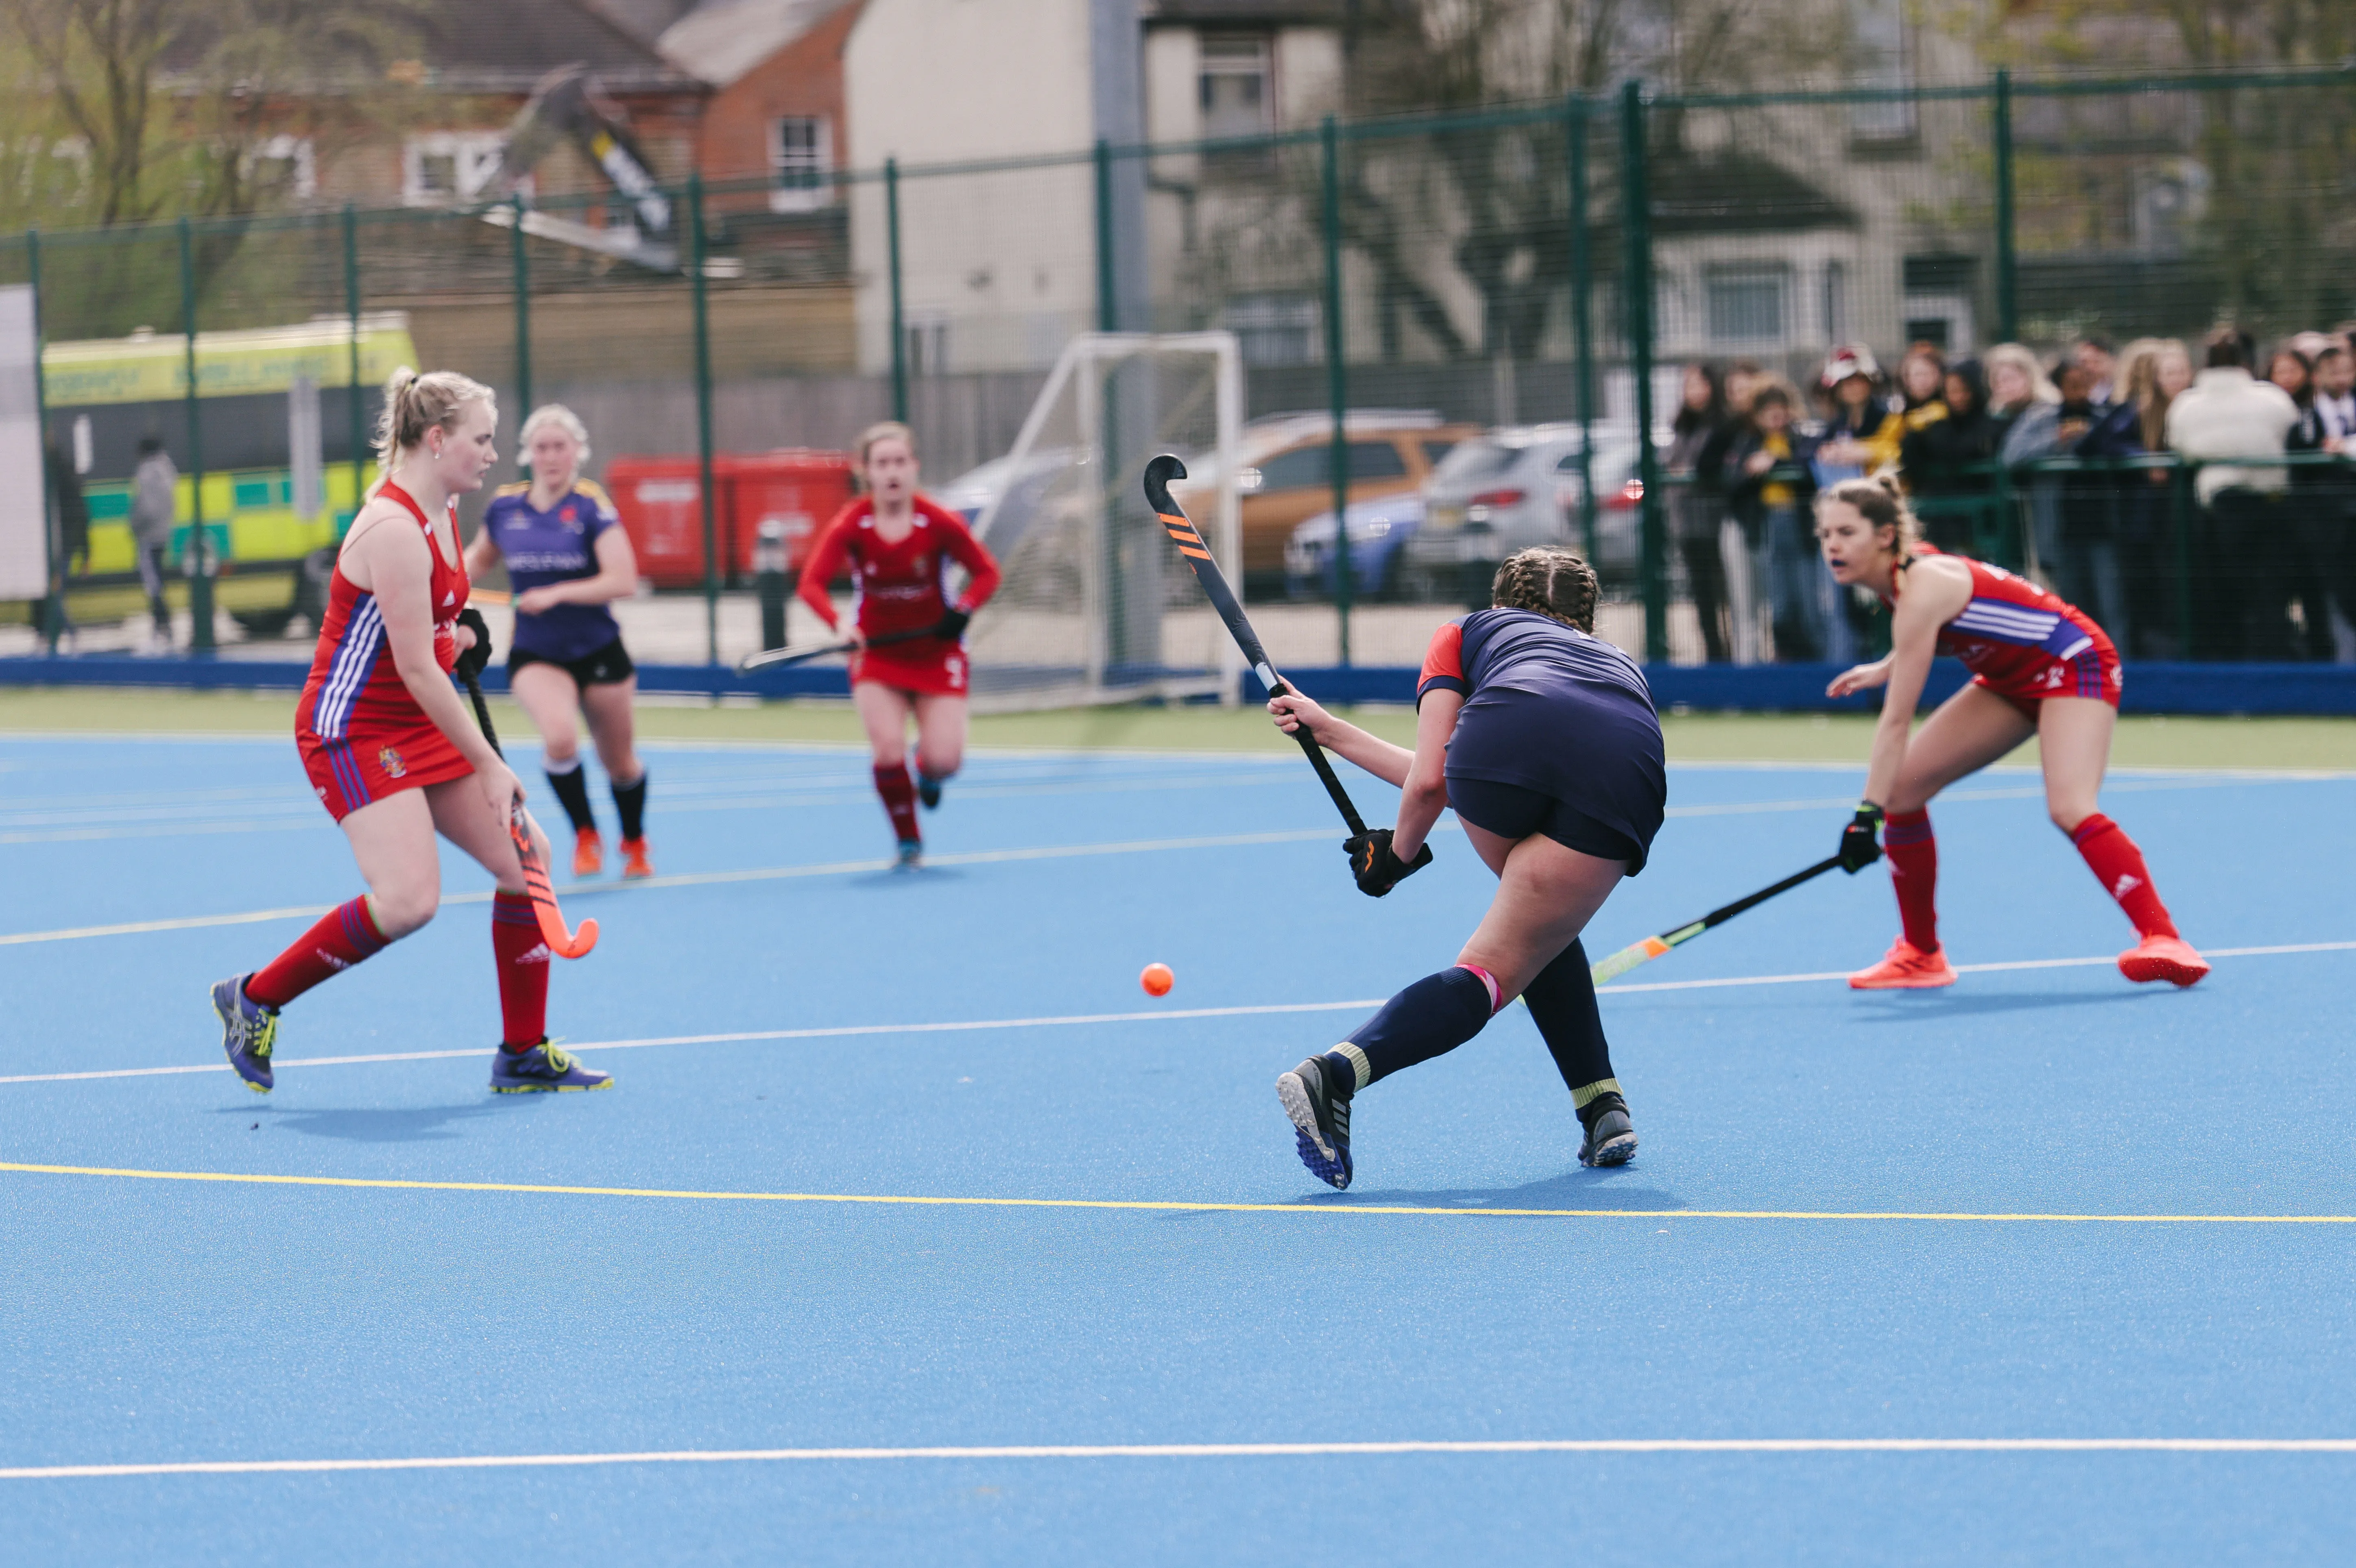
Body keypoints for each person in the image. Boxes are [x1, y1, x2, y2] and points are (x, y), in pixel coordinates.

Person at [208, 368, 610, 1095]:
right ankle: (255, 997)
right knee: (407, 901)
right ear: (436, 439)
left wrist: (458, 633)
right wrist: (489, 763)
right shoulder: (394, 528)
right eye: (482, 439)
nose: (494, 454)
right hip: (352, 728)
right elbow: (418, 671)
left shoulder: (444, 506)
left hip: (409, 717)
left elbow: (426, 641)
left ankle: (522, 1052)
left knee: (529, 862)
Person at [1264, 546, 1665, 1186]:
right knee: (1536, 928)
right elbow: (1441, 780)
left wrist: (1393, 859)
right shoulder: (1615, 662)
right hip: (1625, 774)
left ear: (1500, 599)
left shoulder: (1467, 630)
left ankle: (1334, 1074)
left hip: (1500, 751)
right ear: (1588, 619)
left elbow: (1441, 779)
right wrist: (1330, 729)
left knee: (1506, 957)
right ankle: (1603, 1108)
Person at [1814, 475, 2208, 991]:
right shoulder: (1904, 578)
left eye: (1846, 532)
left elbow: (1895, 722)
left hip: (2074, 662)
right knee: (1904, 793)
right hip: (2009, 678)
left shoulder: (1919, 587)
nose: (1832, 546)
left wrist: (1865, 814)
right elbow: (1939, 627)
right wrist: (1888, 665)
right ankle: (1920, 955)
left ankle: (2163, 937)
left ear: (1886, 536)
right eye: (1824, 535)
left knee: (2069, 805)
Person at [797, 421, 1002, 865]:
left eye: (899, 462)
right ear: (865, 472)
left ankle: (926, 769)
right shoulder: (853, 523)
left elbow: (987, 573)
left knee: (944, 761)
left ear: (914, 467)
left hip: (936, 651)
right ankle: (908, 840)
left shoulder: (938, 521)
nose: (892, 472)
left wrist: (962, 609)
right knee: (887, 750)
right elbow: (811, 584)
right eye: (881, 463)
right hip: (877, 655)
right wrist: (839, 626)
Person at [467, 404, 653, 879]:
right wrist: (433, 586)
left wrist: (556, 594)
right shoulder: (506, 508)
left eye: (560, 447)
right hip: (537, 652)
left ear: (577, 453)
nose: (550, 456)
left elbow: (623, 579)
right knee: (560, 738)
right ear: (529, 453)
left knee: (621, 764)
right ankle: (585, 834)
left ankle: (633, 839)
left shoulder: (592, 507)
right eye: (541, 447)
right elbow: (472, 563)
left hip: (598, 649)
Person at [2166, 327, 2299, 659]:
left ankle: (2232, 659)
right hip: (2270, 504)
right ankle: (2273, 659)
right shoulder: (2272, 398)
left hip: (2219, 509)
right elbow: (2289, 431)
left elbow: (2181, 446)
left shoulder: (2187, 405)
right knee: (2269, 589)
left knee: (2224, 589)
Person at [1721, 382, 1826, 660]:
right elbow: (1732, 483)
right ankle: (1786, 663)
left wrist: (1775, 464)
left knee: (1809, 604)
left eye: (1781, 412)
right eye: (1769, 413)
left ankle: (1816, 665)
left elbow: (1810, 472)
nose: (1776, 419)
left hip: (1802, 530)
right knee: (1778, 606)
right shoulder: (1749, 444)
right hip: (1768, 529)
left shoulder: (1801, 441)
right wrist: (1751, 470)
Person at [2270, 348, 2335, 660]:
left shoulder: (2317, 413)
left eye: (2293, 370)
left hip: (2314, 521)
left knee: (2317, 593)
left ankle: (2323, 656)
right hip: (2275, 519)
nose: (2287, 379)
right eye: (2280, 371)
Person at [1666, 362, 1733, 662]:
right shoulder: (1683, 425)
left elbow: (1707, 466)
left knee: (1727, 595)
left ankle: (1733, 655)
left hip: (1716, 523)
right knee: (1702, 596)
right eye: (1688, 385)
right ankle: (1714, 655)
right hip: (1686, 524)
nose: (1693, 392)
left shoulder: (1723, 424)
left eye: (1699, 384)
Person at [1901, 359, 1998, 552]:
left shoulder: (1991, 425)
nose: (1958, 398)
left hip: (1979, 526)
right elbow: (1911, 459)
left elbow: (1958, 452)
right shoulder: (1937, 424)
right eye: (1952, 391)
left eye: (1964, 390)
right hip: (1939, 525)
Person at [130, 436, 179, 650]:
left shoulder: (147, 473)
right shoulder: (166, 470)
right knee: (157, 581)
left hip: (148, 536)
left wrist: (135, 525)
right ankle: (162, 627)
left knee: (153, 584)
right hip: (163, 534)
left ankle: (163, 626)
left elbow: (146, 508)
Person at [2072, 336, 2118, 405]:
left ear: (2111, 360)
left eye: (2096, 362)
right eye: (2084, 363)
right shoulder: (2073, 394)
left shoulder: (2120, 392)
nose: (2089, 368)